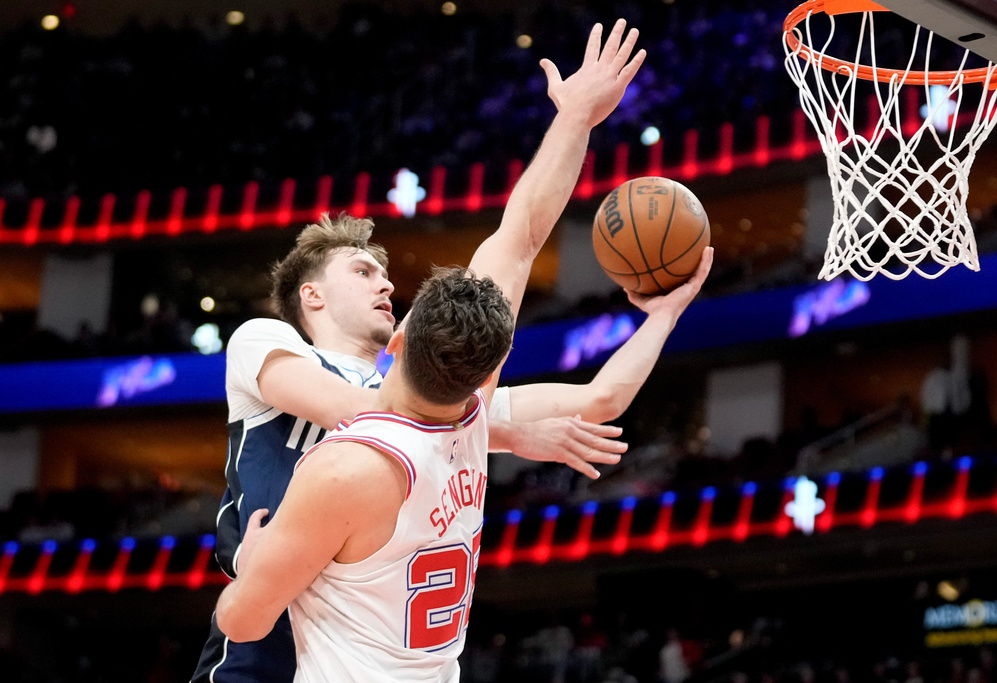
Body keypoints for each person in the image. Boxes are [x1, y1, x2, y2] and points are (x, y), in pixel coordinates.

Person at [215, 19, 713, 682]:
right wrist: (502, 425)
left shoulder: (354, 458)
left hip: (287, 610)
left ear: (400, 341)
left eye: (387, 276)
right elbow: (523, 240)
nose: (385, 282)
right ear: (310, 295)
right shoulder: (281, 344)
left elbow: (369, 414)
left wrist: (506, 429)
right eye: (363, 270)